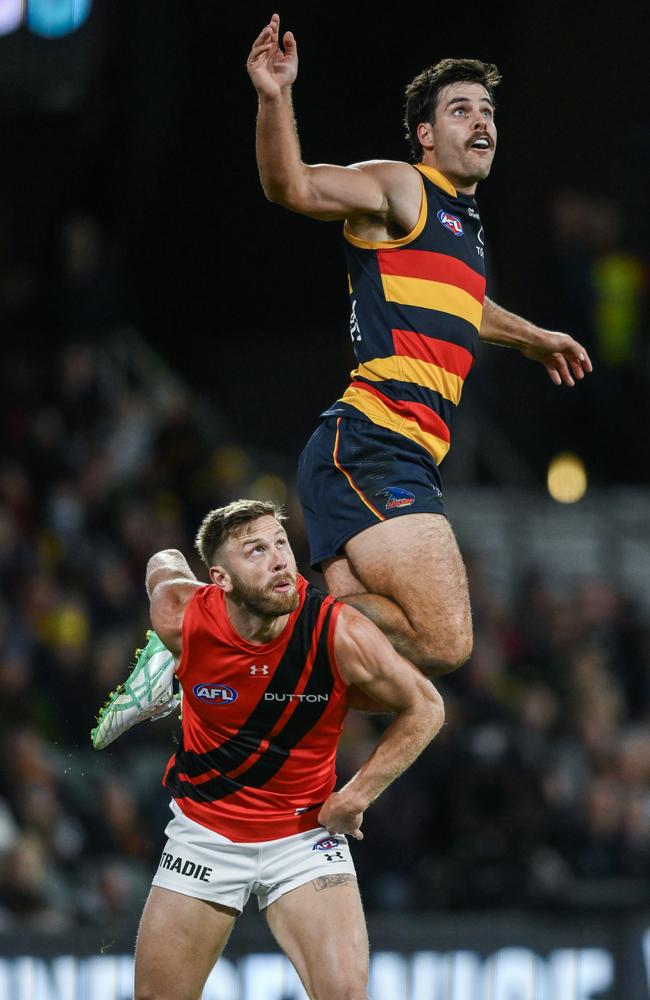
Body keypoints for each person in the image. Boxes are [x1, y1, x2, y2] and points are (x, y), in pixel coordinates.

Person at [91, 11, 593, 744]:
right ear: (425, 134)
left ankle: (204, 669)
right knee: (444, 638)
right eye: (461, 110)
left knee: (364, 657)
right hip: (372, 443)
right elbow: (291, 186)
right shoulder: (400, 187)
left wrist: (532, 337)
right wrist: (274, 95)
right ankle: (205, 634)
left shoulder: (460, 226)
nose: (480, 121)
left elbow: (465, 304)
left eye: (487, 111)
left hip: (391, 451)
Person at [125, 499, 443, 1000]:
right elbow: (161, 563)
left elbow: (426, 707)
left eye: (281, 543)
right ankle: (163, 672)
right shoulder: (180, 615)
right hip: (204, 834)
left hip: (304, 838)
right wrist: (166, 577)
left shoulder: (336, 630)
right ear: (220, 580)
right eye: (256, 551)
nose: (280, 560)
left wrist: (357, 795)